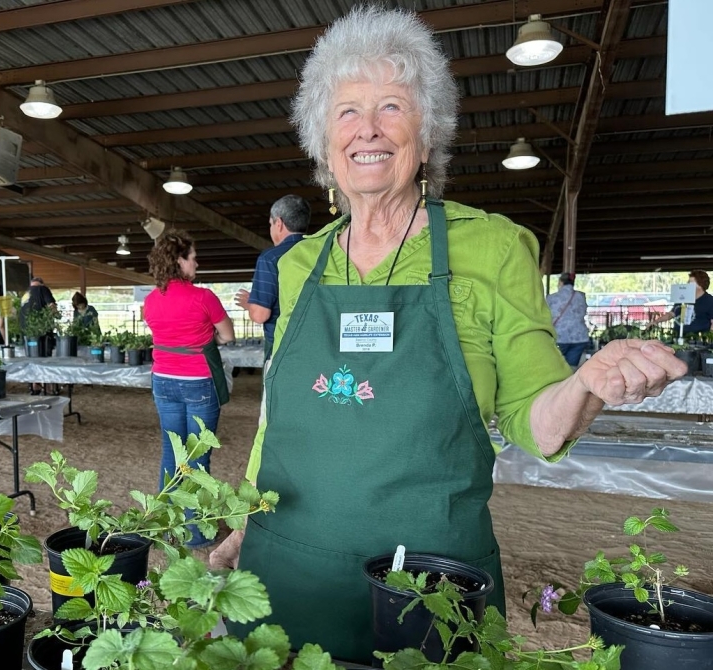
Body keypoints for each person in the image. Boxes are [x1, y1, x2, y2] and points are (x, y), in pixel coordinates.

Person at [208, 8, 685, 664]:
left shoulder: (491, 248)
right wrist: (245, 516)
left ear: (427, 136)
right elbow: (278, 416)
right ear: (324, 144)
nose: (367, 129)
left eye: (392, 106)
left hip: (427, 584)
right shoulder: (296, 264)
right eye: (346, 112)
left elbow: (535, 422)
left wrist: (585, 385)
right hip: (287, 570)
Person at [144, 230, 235, 548]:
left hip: (163, 381)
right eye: (193, 258)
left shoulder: (151, 300)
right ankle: (195, 533)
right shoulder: (204, 297)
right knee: (197, 457)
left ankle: (162, 528)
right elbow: (228, 336)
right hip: (198, 382)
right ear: (179, 260)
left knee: (171, 452)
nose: (196, 263)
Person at [234, 194, 311, 421]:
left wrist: (250, 303)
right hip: (316, 341)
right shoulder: (319, 252)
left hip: (281, 345)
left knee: (275, 410)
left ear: (279, 223)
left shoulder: (271, 258)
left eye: (270, 224)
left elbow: (260, 314)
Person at [650, 270, 713, 335]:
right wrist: (656, 321)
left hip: (699, 341)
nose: (687, 285)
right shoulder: (683, 297)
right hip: (678, 338)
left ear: (700, 285)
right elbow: (671, 314)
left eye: (690, 283)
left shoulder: (710, 301)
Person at [547, 273, 590, 367]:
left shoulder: (551, 298)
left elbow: (546, 315)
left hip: (559, 336)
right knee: (571, 368)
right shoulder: (581, 296)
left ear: (561, 282)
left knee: (556, 367)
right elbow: (584, 312)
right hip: (579, 337)